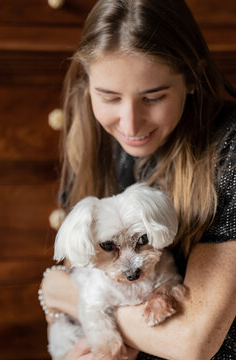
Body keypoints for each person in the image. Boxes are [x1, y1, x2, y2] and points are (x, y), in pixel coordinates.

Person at [41, 0, 236, 359]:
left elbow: (193, 343)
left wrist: (67, 297)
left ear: (192, 77)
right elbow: (73, 266)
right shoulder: (100, 141)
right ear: (88, 86)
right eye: (109, 97)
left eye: (154, 97)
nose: (130, 126)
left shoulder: (230, 154)